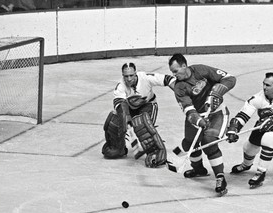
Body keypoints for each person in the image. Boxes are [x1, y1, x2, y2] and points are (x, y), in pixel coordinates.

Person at [169, 53, 236, 195]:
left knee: (209, 141)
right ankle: (199, 169)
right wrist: (198, 120)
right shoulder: (179, 87)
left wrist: (217, 92)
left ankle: (220, 177)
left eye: (175, 71)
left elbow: (230, 78)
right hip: (198, 116)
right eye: (172, 72)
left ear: (184, 66)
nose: (174, 75)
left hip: (217, 113)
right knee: (189, 143)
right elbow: (188, 110)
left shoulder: (201, 70)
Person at [102, 62, 176, 168]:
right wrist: (125, 119)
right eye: (126, 76)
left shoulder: (145, 77)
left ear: (135, 73)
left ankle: (155, 152)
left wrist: (179, 92)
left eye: (131, 75)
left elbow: (168, 79)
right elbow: (120, 105)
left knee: (142, 125)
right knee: (114, 122)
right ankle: (118, 147)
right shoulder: (120, 86)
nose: (128, 79)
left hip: (148, 105)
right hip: (129, 109)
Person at [227, 72, 273, 188]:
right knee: (249, 146)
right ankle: (246, 165)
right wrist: (234, 128)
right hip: (265, 125)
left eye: (268, 85)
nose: (264, 87)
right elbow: (244, 114)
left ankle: (260, 172)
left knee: (268, 138)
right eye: (264, 84)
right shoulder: (258, 98)